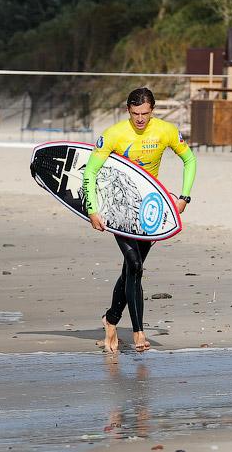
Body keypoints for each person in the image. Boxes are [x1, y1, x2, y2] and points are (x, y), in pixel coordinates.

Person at [83, 87, 196, 353]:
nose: (141, 119)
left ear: (152, 110)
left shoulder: (166, 131)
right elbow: (90, 172)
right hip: (118, 208)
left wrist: (184, 198)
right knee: (135, 265)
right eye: (135, 114)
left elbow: (189, 160)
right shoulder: (114, 134)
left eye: (145, 113)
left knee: (131, 270)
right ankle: (138, 332)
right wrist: (92, 209)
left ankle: (111, 320)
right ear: (128, 110)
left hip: (149, 211)